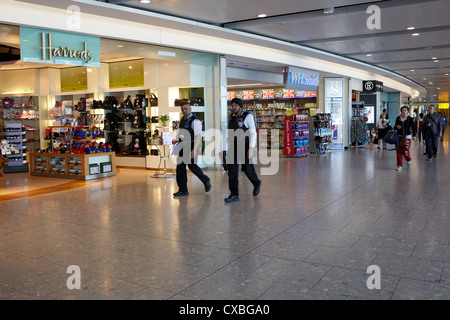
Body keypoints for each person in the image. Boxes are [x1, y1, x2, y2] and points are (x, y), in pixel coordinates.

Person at [225, 97, 261, 203]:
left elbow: (253, 132)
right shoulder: (231, 117)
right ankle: (234, 194)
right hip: (233, 147)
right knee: (232, 171)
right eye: (232, 105)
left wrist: (251, 148)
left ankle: (256, 183)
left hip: (245, 146)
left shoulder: (247, 116)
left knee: (247, 169)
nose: (233, 107)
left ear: (240, 106)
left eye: (235, 105)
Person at [173, 100, 211, 197]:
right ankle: (183, 189)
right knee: (180, 167)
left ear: (190, 109)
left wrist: (194, 150)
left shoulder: (195, 121)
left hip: (192, 146)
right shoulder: (182, 120)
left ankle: (206, 180)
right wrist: (176, 139)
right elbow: (179, 132)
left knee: (192, 167)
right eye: (182, 109)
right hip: (182, 146)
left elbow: (198, 136)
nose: (184, 111)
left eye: (186, 108)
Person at [394, 106, 416, 171]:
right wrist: (397, 127)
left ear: (407, 111)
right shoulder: (398, 118)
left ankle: (408, 159)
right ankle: (399, 165)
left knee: (405, 151)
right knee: (398, 152)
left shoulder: (410, 119)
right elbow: (395, 126)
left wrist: (414, 135)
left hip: (407, 137)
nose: (403, 112)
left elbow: (414, 127)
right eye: (402, 110)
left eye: (405, 110)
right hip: (399, 137)